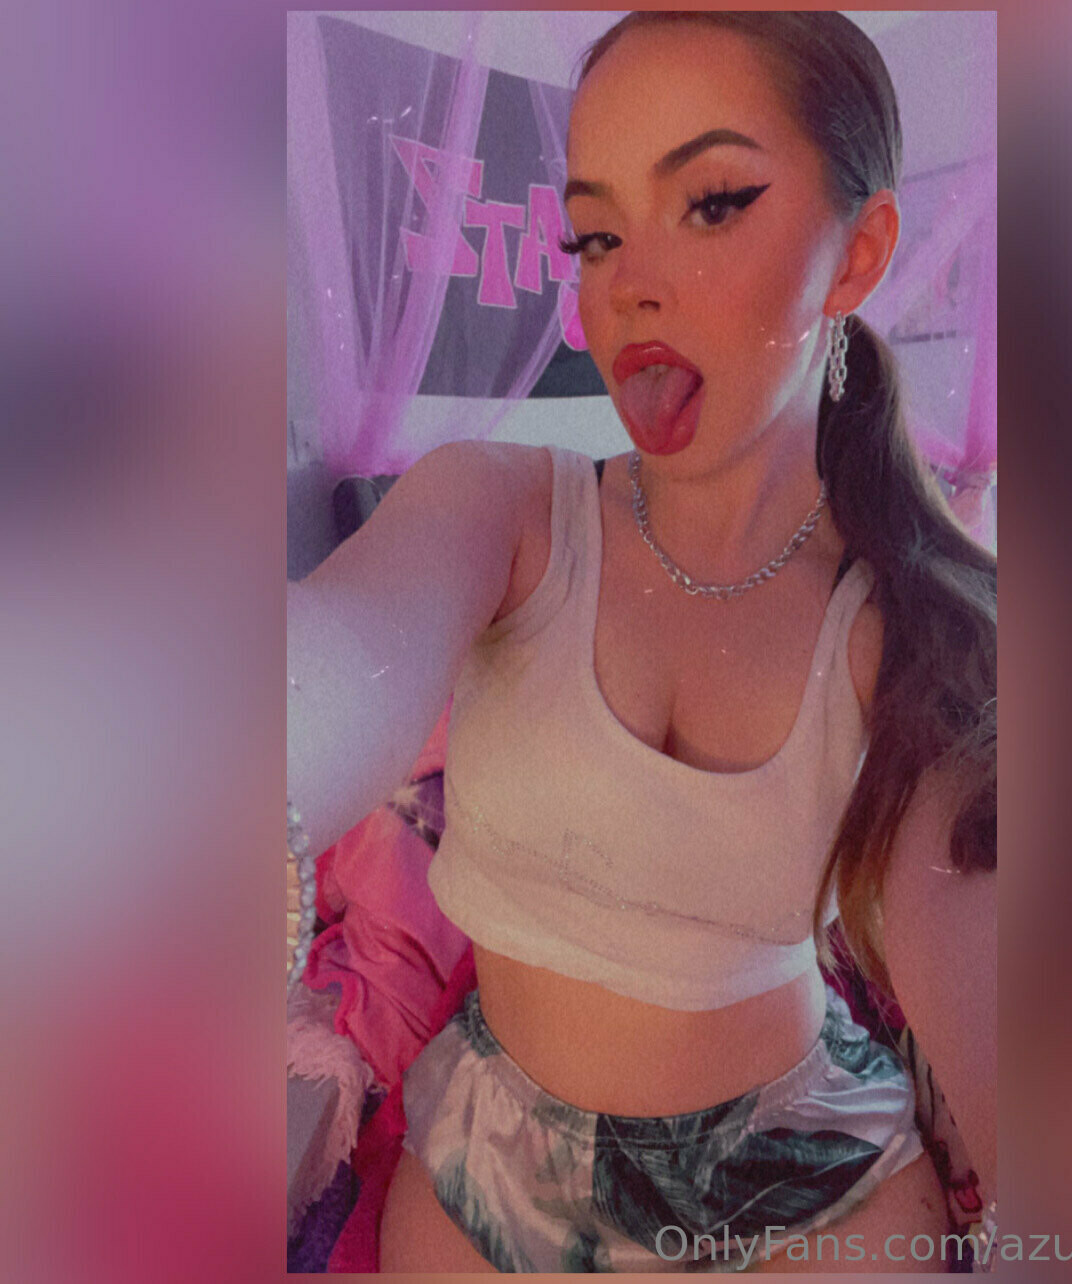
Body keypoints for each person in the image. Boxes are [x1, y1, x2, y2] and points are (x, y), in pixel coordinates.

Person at [288, 11, 996, 1273]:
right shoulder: (504, 513)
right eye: (597, 236)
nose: (626, 287)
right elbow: (329, 672)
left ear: (856, 253)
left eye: (712, 204)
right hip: (492, 1171)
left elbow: (1025, 1031)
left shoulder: (898, 627)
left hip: (812, 1199)